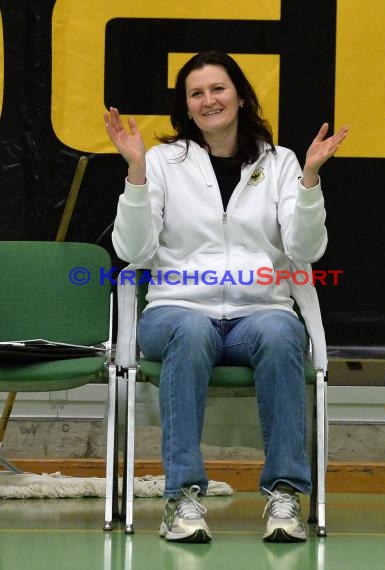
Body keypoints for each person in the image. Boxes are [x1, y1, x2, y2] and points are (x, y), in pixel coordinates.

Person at [105, 51, 348, 544]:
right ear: (186, 107)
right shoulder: (161, 162)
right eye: (196, 93)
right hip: (176, 311)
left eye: (218, 89)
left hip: (259, 313)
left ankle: (284, 496)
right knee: (192, 331)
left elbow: (306, 249)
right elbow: (133, 251)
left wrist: (310, 180)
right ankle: (184, 499)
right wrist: (134, 173)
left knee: (283, 332)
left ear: (239, 95)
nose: (208, 100)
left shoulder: (278, 163)